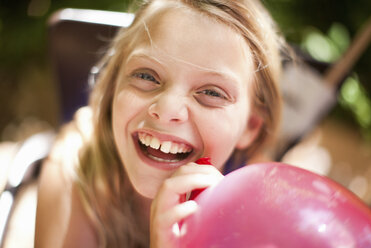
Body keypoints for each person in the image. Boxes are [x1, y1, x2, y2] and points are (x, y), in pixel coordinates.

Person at [35, 0, 286, 247]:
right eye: (146, 76)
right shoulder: (74, 173)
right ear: (113, 88)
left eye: (212, 93)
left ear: (251, 125)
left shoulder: (255, 199)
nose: (166, 110)